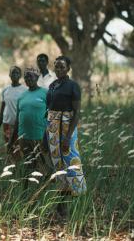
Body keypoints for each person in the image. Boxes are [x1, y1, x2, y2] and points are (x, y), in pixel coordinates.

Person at [45, 56, 86, 216]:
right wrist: (46, 133)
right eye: (56, 67)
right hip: (53, 128)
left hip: (67, 128)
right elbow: (48, 110)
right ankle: (60, 205)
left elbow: (76, 113)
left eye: (62, 67)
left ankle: (70, 205)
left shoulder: (73, 86)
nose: (59, 70)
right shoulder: (53, 85)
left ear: (68, 68)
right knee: (58, 165)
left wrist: (68, 137)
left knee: (71, 164)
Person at [9, 68, 49, 172]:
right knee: (28, 166)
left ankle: (45, 187)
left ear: (37, 77)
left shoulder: (46, 93)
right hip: (24, 137)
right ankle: (27, 187)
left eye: (30, 76)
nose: (28, 79)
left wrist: (47, 137)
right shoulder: (22, 96)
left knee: (43, 166)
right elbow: (18, 120)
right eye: (26, 77)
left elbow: (51, 116)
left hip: (40, 136)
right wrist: (12, 140)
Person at [0, 66, 27, 144]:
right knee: (9, 147)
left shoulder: (25, 90)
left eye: (17, 73)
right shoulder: (5, 90)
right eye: (13, 72)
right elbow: (2, 109)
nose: (15, 75)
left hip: (19, 124)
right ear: (9, 75)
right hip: (7, 123)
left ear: (20, 75)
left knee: (18, 148)